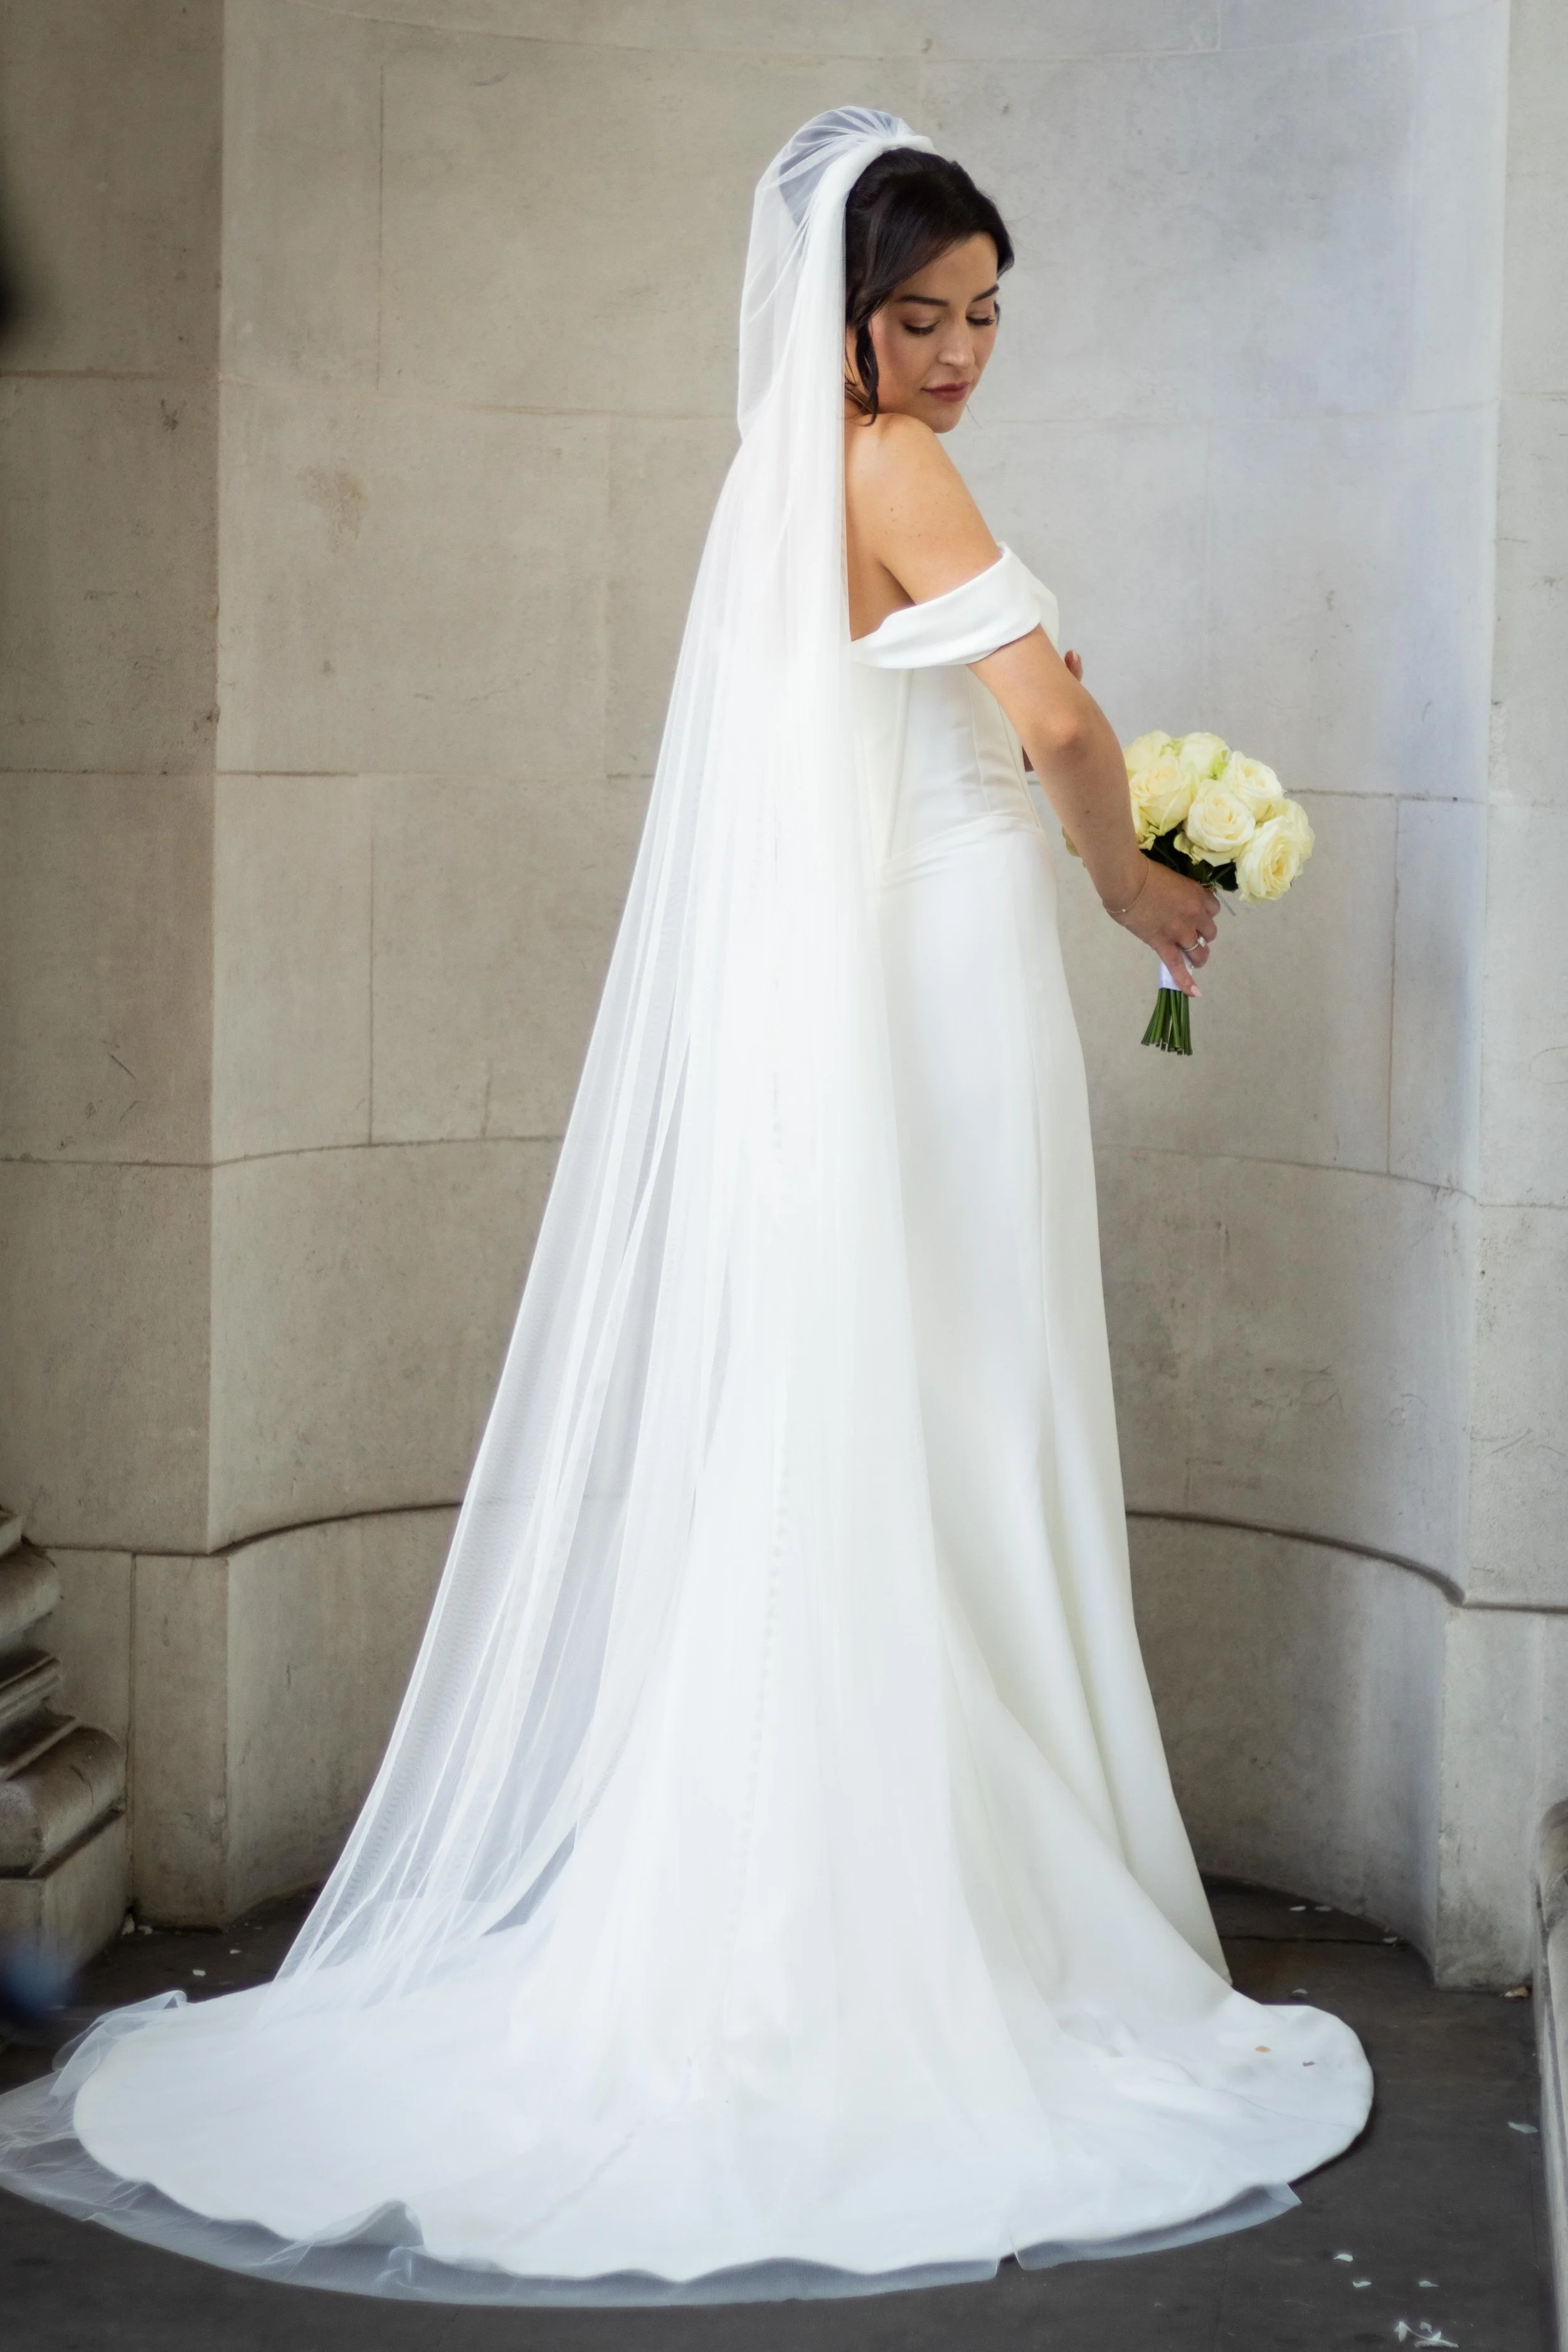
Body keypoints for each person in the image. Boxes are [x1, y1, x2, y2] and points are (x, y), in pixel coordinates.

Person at [0, 107, 1371, 2306]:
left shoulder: (769, 481)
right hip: (935, 990)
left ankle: (816, 1875)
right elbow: (1054, 713)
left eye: (987, 318)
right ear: (838, 321)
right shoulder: (886, 473)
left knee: (884, 1409)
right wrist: (1137, 883)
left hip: (872, 994)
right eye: (919, 318)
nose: (955, 356)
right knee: (963, 1399)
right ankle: (921, 1920)